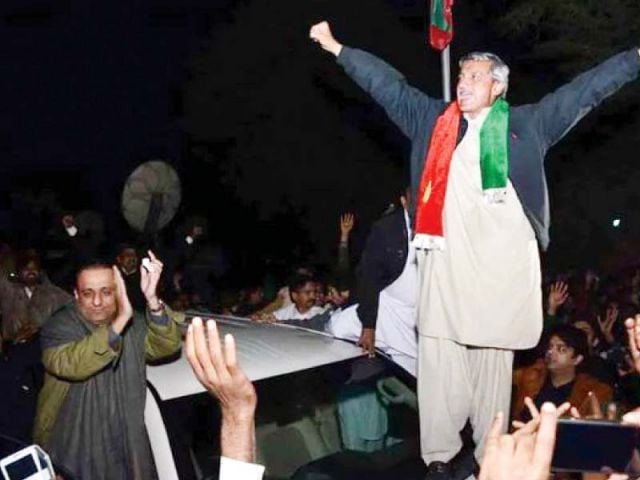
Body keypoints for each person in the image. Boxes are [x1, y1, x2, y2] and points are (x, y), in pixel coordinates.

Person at [309, 20, 640, 476]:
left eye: (475, 77)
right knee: (441, 366)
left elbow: (586, 91)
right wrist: (337, 47)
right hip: (445, 271)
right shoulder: (431, 121)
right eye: (461, 77)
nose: (463, 85)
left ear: (498, 88)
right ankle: (441, 462)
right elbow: (387, 86)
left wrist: (634, 59)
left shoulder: (527, 125)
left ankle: (489, 463)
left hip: (496, 279)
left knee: (490, 378)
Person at [33, 251, 183, 480]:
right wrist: (120, 321)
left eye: (106, 292)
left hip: (126, 445)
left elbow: (166, 346)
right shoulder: (59, 326)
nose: (97, 302)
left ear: (118, 293)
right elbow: (72, 364)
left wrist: (152, 300)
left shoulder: (134, 324)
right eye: (87, 293)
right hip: (71, 451)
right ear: (75, 295)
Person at [328, 188, 418, 376]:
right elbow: (368, 276)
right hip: (385, 309)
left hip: (417, 317)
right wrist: (369, 326)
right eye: (414, 198)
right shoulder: (387, 229)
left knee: (417, 373)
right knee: (337, 328)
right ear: (404, 201)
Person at [512, 325, 613, 421]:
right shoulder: (531, 376)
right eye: (550, 347)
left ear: (577, 359)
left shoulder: (592, 391)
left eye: (561, 349)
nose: (551, 353)